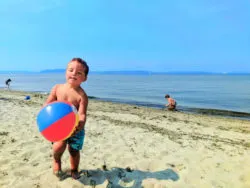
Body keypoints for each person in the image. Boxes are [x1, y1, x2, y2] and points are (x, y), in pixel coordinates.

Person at [43, 57, 89, 179]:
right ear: (66, 72)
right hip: (58, 126)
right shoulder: (57, 88)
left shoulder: (82, 96)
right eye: (71, 70)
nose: (74, 73)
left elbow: (82, 113)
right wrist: (46, 112)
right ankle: (56, 160)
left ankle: (74, 169)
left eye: (79, 73)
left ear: (84, 78)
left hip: (76, 129)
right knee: (59, 146)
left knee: (74, 151)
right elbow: (48, 104)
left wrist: (81, 122)